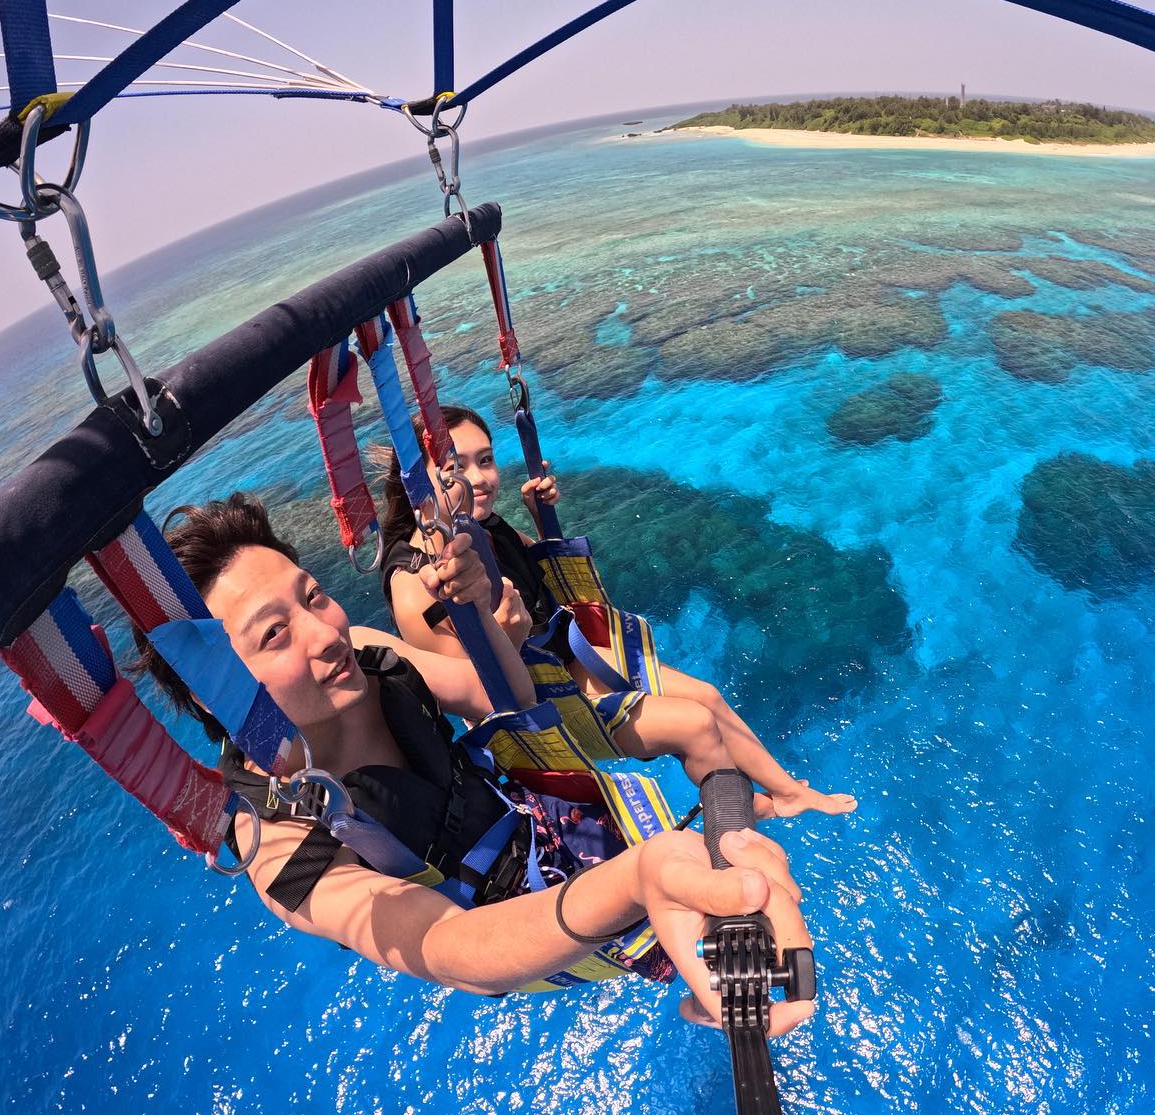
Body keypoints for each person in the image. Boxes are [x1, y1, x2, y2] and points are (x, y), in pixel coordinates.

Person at [134, 493, 812, 1033]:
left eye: (313, 595)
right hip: (515, 923)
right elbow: (451, 948)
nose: (324, 633)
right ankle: (705, 979)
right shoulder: (277, 840)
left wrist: (478, 617)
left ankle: (745, 976)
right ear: (214, 691)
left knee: (747, 880)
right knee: (706, 901)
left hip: (536, 815)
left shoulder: (366, 654)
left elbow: (510, 699)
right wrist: (639, 877)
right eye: (274, 634)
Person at [379, 406, 857, 819]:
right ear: (418, 482)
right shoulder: (417, 585)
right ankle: (733, 850)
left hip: (572, 660)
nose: (479, 479)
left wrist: (541, 514)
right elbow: (482, 700)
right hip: (549, 708)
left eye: (485, 460)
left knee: (708, 696)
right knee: (695, 727)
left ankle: (789, 794)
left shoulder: (483, 527)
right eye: (455, 468)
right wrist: (508, 634)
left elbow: (544, 570)